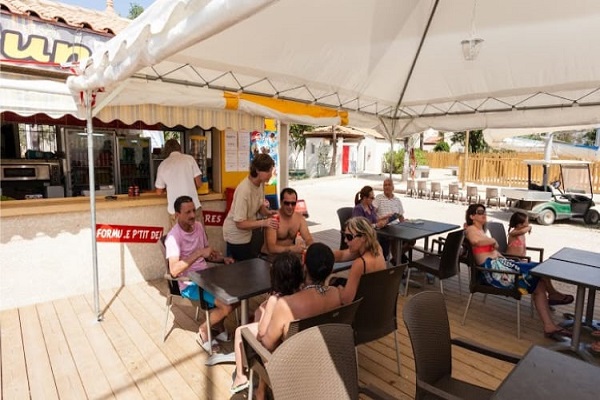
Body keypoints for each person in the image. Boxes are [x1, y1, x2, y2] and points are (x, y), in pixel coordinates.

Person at [464, 204, 571, 339]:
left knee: (539, 280)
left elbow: (493, 250)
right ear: (472, 216)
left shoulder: (481, 231)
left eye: (484, 212)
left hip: (502, 266)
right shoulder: (471, 229)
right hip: (494, 273)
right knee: (538, 271)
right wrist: (492, 240)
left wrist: (505, 258)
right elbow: (475, 241)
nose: (483, 214)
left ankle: (549, 325)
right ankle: (553, 296)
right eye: (479, 212)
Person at [253, 243, 342, 399]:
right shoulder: (335, 294)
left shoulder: (287, 304)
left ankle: (260, 390)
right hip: (321, 360)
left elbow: (267, 344)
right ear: (330, 270)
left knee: (262, 337)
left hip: (293, 367)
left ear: (304, 267)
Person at [164, 195, 234, 353]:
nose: (192, 215)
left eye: (193, 210)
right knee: (227, 305)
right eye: (187, 212)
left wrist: (222, 259)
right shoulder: (173, 237)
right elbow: (174, 271)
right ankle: (204, 329)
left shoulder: (198, 226)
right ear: (177, 215)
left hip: (207, 277)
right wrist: (199, 253)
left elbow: (207, 254)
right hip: (189, 283)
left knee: (237, 294)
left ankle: (217, 324)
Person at [229, 251, 304, 394]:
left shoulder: (275, 300)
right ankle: (261, 390)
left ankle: (240, 376)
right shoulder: (301, 294)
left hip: (275, 354)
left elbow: (262, 332)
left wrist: (264, 311)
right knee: (260, 316)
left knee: (240, 331)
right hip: (293, 346)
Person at [505, 211, 574, 306]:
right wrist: (529, 228)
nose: (528, 224)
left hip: (522, 261)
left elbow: (523, 232)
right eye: (527, 222)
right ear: (519, 225)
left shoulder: (521, 232)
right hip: (514, 263)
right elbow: (522, 231)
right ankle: (552, 294)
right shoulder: (513, 233)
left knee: (542, 271)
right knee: (540, 271)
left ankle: (549, 296)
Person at [222, 154, 277, 261]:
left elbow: (259, 205)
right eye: (268, 171)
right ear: (257, 170)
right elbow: (239, 223)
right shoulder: (244, 190)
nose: (270, 174)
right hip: (236, 235)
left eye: (271, 170)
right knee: (245, 266)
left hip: (249, 232)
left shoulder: (261, 183)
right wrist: (263, 222)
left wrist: (268, 213)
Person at [332, 217, 387, 305]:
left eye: (349, 237)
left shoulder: (360, 263)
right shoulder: (377, 248)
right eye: (345, 236)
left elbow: (346, 300)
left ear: (363, 237)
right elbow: (342, 255)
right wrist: (324, 254)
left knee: (332, 285)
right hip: (376, 301)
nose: (345, 240)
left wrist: (337, 289)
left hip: (362, 307)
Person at [155, 139, 203, 227]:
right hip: (193, 207)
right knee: (198, 234)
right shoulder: (189, 159)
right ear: (179, 148)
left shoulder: (163, 165)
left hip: (176, 211)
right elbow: (199, 183)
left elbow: (159, 191)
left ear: (166, 151)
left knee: (178, 235)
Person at [261, 187, 313, 256]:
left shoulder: (299, 218)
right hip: (269, 256)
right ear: (281, 202)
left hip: (288, 256)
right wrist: (291, 249)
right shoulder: (274, 218)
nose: (290, 206)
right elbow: (271, 248)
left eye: (293, 203)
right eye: (287, 203)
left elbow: (308, 239)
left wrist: (309, 247)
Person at [373, 178, 414, 263]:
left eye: (389, 185)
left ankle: (396, 257)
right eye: (385, 185)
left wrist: (406, 222)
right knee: (395, 238)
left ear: (393, 187)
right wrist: (382, 219)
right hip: (384, 227)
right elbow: (372, 215)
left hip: (396, 227)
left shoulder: (397, 200)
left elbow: (401, 217)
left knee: (412, 239)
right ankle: (397, 259)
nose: (386, 187)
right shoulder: (378, 198)